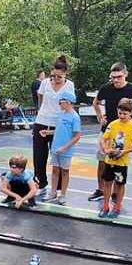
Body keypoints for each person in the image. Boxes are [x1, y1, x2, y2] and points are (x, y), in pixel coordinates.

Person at [89, 62, 132, 202]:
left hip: (124, 134)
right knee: (102, 161)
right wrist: (99, 116)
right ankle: (100, 189)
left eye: (119, 77)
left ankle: (116, 193)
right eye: (113, 77)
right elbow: (95, 102)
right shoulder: (106, 88)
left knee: (119, 163)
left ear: (125, 74)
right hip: (108, 130)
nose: (116, 80)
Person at [33, 56, 76, 195]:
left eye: (59, 76)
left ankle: (57, 188)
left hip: (59, 124)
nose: (56, 79)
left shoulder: (69, 85)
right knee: (39, 155)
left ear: (65, 74)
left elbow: (70, 104)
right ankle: (41, 183)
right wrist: (40, 110)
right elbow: (40, 97)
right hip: (42, 121)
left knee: (58, 156)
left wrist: (68, 121)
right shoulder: (45, 83)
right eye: (53, 76)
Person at [98, 98, 132, 219]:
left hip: (122, 163)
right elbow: (104, 139)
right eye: (120, 113)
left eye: (125, 114)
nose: (122, 116)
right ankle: (105, 206)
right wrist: (106, 149)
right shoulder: (112, 124)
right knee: (107, 183)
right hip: (110, 160)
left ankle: (117, 207)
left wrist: (123, 152)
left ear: (131, 113)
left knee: (120, 184)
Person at [43, 91, 82, 205]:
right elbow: (59, 130)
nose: (59, 104)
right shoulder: (61, 114)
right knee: (55, 170)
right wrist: (48, 132)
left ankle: (63, 195)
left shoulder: (75, 117)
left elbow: (77, 136)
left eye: (61, 101)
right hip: (56, 148)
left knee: (65, 172)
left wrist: (65, 147)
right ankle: (53, 192)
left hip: (66, 150)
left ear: (68, 102)